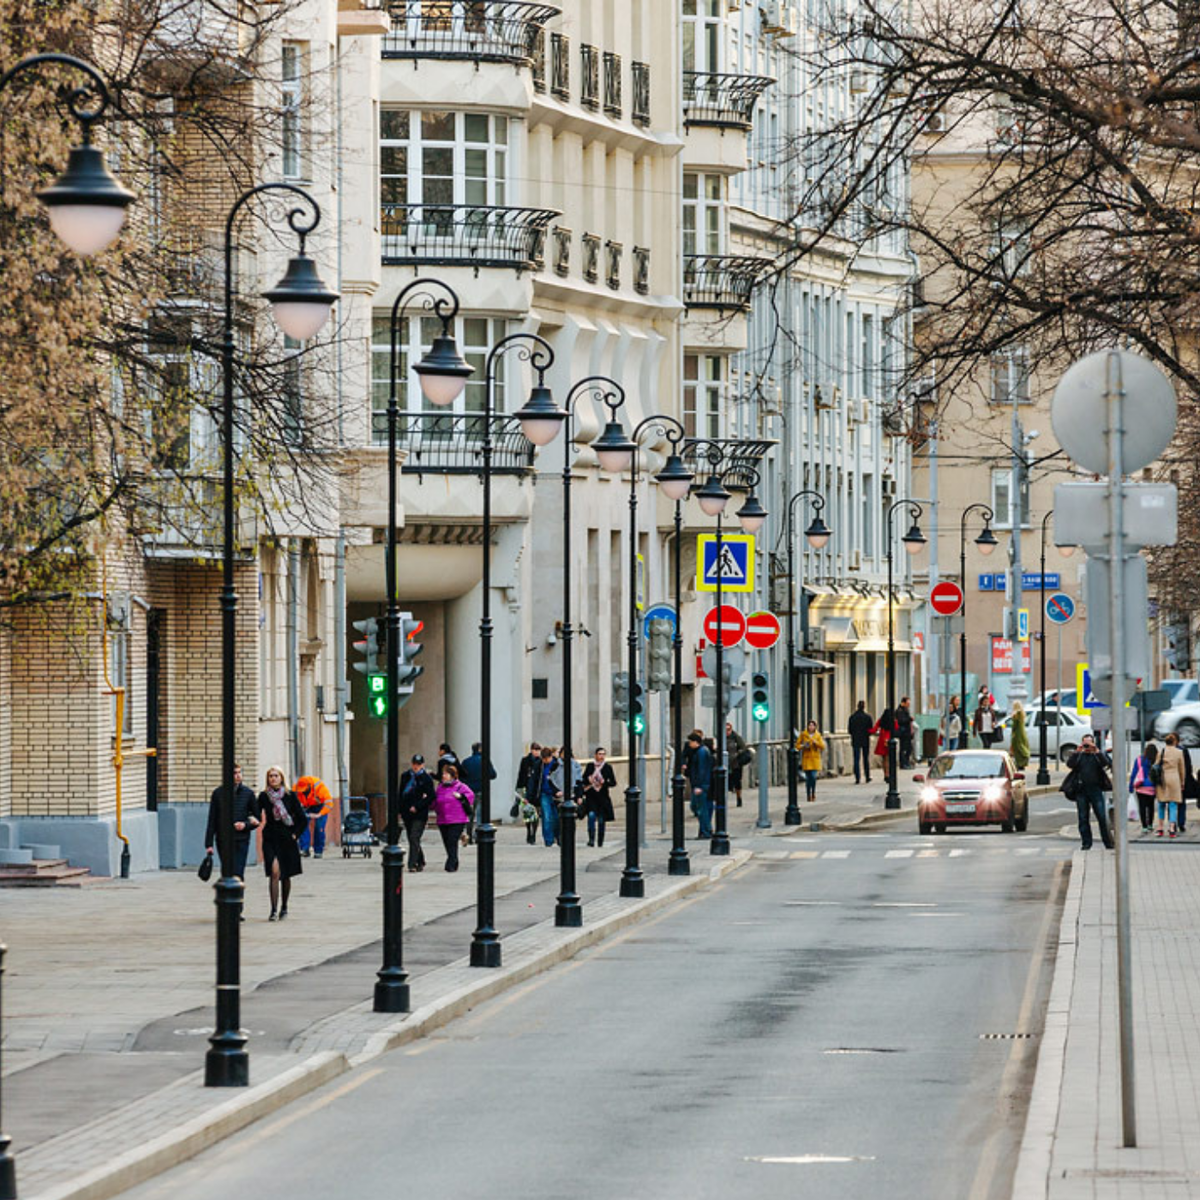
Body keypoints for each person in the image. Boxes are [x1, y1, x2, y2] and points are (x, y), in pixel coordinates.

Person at [256, 766, 306, 921]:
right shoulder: (264, 796)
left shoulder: (290, 796)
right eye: (270, 776)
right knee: (274, 872)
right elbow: (256, 813)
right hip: (271, 837)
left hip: (287, 838)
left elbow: (302, 819)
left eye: (276, 775)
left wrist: (295, 835)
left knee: (286, 875)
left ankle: (284, 906)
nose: (273, 778)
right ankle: (273, 910)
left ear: (282, 778)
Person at [204, 764, 259, 884]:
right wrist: (209, 844)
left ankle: (238, 900)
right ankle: (227, 900)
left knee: (238, 872)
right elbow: (212, 819)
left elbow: (257, 818)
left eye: (240, 772)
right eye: (234, 773)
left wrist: (245, 825)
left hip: (241, 839)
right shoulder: (218, 793)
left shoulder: (248, 793)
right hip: (223, 839)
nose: (238, 776)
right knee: (227, 871)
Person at [1066, 734, 1114, 850]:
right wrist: (1077, 752)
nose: (1087, 746)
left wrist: (1096, 751)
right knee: (1083, 818)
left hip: (1096, 790)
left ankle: (1108, 842)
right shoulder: (1079, 755)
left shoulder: (1097, 755)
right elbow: (1070, 764)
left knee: (1102, 817)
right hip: (1081, 790)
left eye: (1089, 743)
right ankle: (1086, 843)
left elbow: (1106, 763)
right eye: (1085, 743)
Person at [434, 763, 474, 871]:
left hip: (457, 819)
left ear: (452, 776)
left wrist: (461, 796)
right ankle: (454, 860)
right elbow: (435, 801)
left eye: (446, 774)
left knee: (452, 841)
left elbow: (471, 796)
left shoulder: (460, 786)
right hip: (443, 819)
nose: (443, 776)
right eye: (443, 774)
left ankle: (451, 864)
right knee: (447, 842)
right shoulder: (440, 787)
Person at [399, 753, 436, 871]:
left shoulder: (426, 779)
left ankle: (412, 864)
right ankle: (420, 860)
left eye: (419, 765)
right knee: (412, 838)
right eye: (415, 764)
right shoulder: (405, 776)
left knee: (415, 836)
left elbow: (431, 796)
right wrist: (400, 809)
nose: (416, 767)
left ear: (423, 765)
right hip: (407, 812)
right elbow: (400, 794)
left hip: (419, 813)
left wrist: (418, 806)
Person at [579, 747, 617, 847]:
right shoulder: (590, 766)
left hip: (602, 797)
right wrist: (588, 780)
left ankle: (600, 841)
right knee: (591, 816)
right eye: (599, 754)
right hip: (591, 796)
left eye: (603, 754)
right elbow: (583, 779)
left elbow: (613, 782)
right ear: (595, 755)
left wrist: (604, 782)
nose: (601, 756)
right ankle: (591, 839)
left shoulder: (608, 767)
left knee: (601, 820)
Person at [460, 742, 496, 844]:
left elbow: (461, 777)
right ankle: (479, 835)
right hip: (482, 790)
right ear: (480, 749)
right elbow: (493, 774)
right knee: (480, 815)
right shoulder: (485, 760)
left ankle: (469, 835)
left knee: (470, 814)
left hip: (469, 791)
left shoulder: (466, 762)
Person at [1155, 732, 1186, 839]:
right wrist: (1182, 782)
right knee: (1173, 805)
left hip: (1162, 779)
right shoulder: (1179, 752)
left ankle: (1160, 827)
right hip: (1174, 779)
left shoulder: (1161, 752)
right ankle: (1172, 828)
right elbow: (1182, 769)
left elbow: (1155, 766)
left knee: (1161, 804)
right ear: (1175, 742)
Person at [294, 775, 333, 859]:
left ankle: (318, 851)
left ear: (309, 786)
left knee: (319, 827)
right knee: (302, 825)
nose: (303, 791)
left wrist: (319, 814)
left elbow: (329, 804)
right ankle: (304, 849)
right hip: (306, 806)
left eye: (304, 789)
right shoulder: (296, 789)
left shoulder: (320, 788)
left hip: (320, 806)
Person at [515, 742, 543, 844]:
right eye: (535, 750)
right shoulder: (525, 761)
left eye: (538, 750)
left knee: (535, 813)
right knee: (527, 812)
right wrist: (518, 788)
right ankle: (528, 831)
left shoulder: (541, 762)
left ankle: (533, 834)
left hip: (536, 790)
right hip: (526, 789)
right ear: (531, 750)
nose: (537, 752)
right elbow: (521, 775)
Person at [688, 731, 713, 838]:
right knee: (702, 808)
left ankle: (706, 830)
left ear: (695, 742)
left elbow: (701, 770)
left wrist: (699, 786)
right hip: (704, 784)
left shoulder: (701, 752)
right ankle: (705, 830)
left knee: (700, 809)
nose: (689, 744)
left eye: (690, 742)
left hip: (702, 785)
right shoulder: (702, 751)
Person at [1129, 742, 1158, 834]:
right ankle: (1150, 824)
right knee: (1151, 806)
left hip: (1140, 787)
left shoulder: (1139, 760)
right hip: (1152, 787)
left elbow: (1134, 774)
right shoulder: (1156, 761)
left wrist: (1131, 786)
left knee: (1142, 807)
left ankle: (1144, 826)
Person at [538, 746, 562, 847]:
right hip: (545, 793)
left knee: (556, 818)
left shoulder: (557, 765)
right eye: (543, 759)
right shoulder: (540, 766)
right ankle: (548, 840)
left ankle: (557, 837)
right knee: (547, 817)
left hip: (556, 794)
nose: (545, 761)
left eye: (546, 759)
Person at [797, 720, 825, 802]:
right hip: (806, 759)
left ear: (815, 727)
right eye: (810, 725)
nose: (811, 727)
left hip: (815, 759)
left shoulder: (818, 735)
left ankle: (813, 792)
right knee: (808, 778)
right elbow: (797, 745)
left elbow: (822, 746)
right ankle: (808, 794)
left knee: (813, 777)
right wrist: (803, 745)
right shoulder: (803, 734)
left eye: (813, 726)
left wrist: (816, 742)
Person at [848, 701, 873, 784]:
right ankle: (867, 776)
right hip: (865, 739)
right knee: (866, 758)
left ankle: (857, 777)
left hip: (855, 739)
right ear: (864, 707)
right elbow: (870, 729)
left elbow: (850, 730)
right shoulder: (867, 717)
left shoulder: (852, 717)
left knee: (856, 759)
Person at [726, 722, 750, 807]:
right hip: (725, 763)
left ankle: (739, 798)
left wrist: (737, 753)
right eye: (725, 729)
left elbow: (743, 748)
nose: (727, 731)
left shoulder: (736, 737)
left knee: (737, 781)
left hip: (735, 763)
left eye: (728, 729)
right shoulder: (720, 737)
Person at [870, 708, 895, 776]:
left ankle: (885, 773)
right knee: (890, 758)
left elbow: (874, 729)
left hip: (882, 739)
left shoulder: (881, 720)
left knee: (884, 758)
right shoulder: (893, 721)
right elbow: (897, 728)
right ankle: (889, 773)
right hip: (890, 739)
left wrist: (867, 731)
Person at [1009, 702, 1030, 771]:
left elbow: (1014, 727)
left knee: (1018, 749)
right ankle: (1022, 763)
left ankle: (1019, 763)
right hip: (1022, 733)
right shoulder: (1022, 714)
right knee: (1022, 747)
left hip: (1017, 734)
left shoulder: (1016, 714)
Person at [896, 698, 915, 769]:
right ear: (903, 703)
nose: (908, 705)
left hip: (907, 732)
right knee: (903, 748)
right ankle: (903, 763)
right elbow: (901, 721)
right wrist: (909, 719)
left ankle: (906, 762)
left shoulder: (906, 710)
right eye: (907, 703)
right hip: (903, 733)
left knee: (909, 748)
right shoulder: (899, 711)